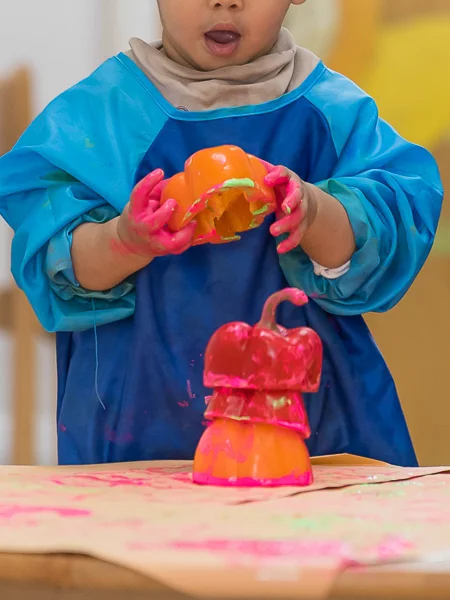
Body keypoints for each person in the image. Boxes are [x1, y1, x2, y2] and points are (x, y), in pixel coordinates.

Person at [0, 0, 443, 467]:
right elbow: (62, 268)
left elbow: (377, 242)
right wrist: (124, 241)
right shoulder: (100, 116)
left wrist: (314, 212)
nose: (225, 1)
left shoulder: (334, 112)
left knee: (309, 536)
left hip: (312, 426)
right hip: (140, 426)